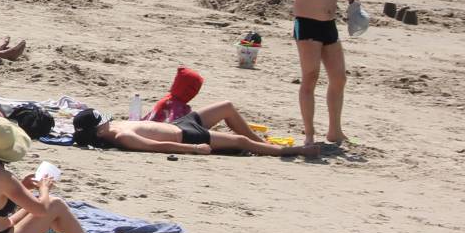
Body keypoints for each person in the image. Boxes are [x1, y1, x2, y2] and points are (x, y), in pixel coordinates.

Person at [0, 118, 125, 233]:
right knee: (54, 204)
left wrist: (23, 186)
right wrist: (44, 188)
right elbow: (41, 210)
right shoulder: (4, 177)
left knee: (47, 205)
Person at [282, 0, 351, 148]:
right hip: (307, 24)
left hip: (329, 24)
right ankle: (310, 134)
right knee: (310, 77)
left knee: (339, 78)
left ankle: (335, 131)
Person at [70, 104, 299, 156]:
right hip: (188, 135)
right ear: (98, 131)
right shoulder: (122, 136)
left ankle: (260, 142)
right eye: (101, 122)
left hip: (180, 123)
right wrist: (193, 148)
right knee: (239, 141)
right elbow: (160, 146)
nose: (106, 121)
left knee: (227, 108)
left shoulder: (110, 128)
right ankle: (285, 152)